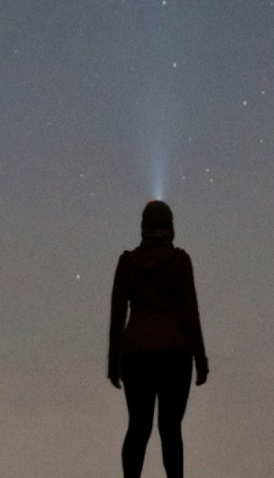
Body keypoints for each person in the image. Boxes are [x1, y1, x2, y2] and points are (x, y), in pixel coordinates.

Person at [108, 199, 208, 478]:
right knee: (170, 429)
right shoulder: (179, 261)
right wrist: (200, 359)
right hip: (175, 353)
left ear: (143, 227)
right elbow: (190, 313)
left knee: (138, 427)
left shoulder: (128, 263)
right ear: (171, 226)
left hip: (135, 353)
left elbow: (118, 316)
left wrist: (113, 362)